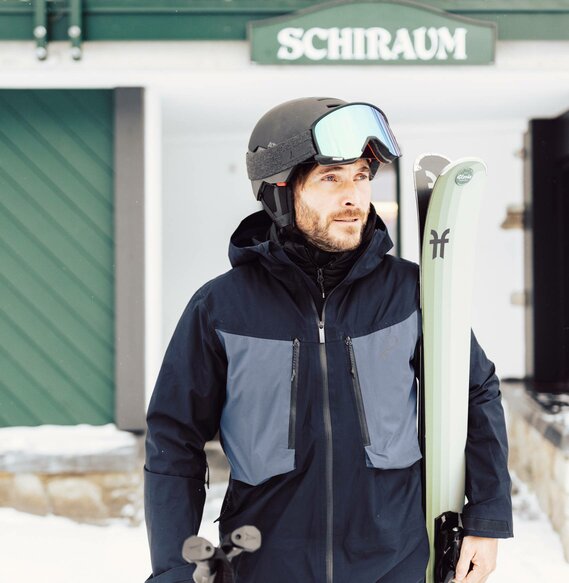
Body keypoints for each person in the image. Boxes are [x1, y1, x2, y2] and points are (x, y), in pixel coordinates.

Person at [144, 97, 513, 583]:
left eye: (361, 177)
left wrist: (485, 520)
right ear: (279, 190)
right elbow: (174, 439)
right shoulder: (221, 308)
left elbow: (476, 391)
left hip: (396, 561)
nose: (354, 197)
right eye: (331, 178)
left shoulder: (412, 294)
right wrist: (174, 568)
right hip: (262, 565)